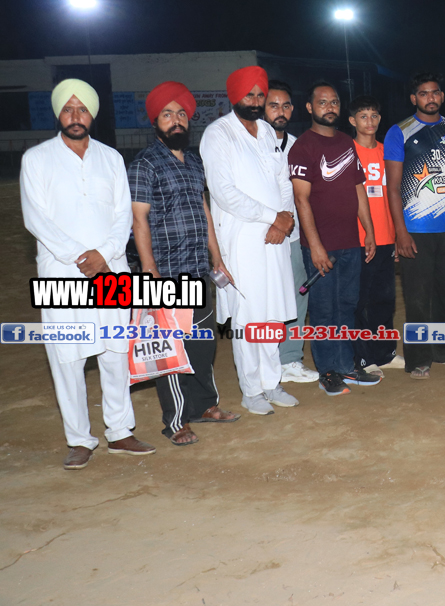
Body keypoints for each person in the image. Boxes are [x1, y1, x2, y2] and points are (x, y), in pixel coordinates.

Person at [20, 79, 155, 469]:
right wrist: (81, 257)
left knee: (115, 352)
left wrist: (104, 255)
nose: (75, 116)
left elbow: (122, 215)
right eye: (68, 109)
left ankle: (120, 431)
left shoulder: (111, 158)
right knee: (68, 357)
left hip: (111, 269)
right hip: (61, 274)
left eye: (82, 109)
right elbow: (36, 219)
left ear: (92, 114)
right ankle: (79, 439)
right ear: (58, 114)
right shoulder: (36, 159)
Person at [128, 81, 239, 446]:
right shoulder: (144, 164)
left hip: (198, 270)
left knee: (202, 344)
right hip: (165, 271)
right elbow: (138, 219)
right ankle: (176, 422)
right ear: (155, 122)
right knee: (170, 349)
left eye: (181, 114)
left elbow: (203, 211)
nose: (175, 120)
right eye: (167, 114)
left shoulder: (193, 162)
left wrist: (216, 257)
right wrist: (150, 271)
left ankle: (205, 405)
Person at [200, 66, 297, 416]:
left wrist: (284, 219)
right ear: (234, 96)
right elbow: (223, 193)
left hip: (274, 237)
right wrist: (273, 217)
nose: (255, 102)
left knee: (272, 312)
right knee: (249, 316)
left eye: (260, 95)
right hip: (241, 239)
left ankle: (272, 383)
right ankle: (251, 389)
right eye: (249, 95)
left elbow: (283, 180)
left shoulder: (268, 131)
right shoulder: (218, 134)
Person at [385, 71, 445, 378]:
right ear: (414, 98)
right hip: (415, 230)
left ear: (442, 96)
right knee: (417, 296)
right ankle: (418, 358)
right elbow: (393, 187)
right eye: (424, 93)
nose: (431, 98)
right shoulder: (399, 132)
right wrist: (400, 232)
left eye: (435, 92)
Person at [289, 82, 381, 395]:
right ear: (310, 107)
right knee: (324, 310)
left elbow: (358, 188)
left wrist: (368, 230)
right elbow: (301, 200)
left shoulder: (345, 142)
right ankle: (327, 371)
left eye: (334, 102)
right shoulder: (303, 147)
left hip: (350, 242)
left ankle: (344, 366)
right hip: (321, 246)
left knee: (347, 305)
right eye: (323, 102)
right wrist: (315, 246)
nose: (330, 107)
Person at [265, 79, 319, 384]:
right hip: (262, 237)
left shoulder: (299, 145)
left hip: (294, 236)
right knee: (266, 301)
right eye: (273, 105)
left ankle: (290, 359)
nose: (280, 111)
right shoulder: (252, 145)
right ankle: (266, 360)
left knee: (298, 296)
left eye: (285, 105)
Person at [348, 95, 403, 376]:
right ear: (352, 121)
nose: (369, 121)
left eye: (374, 115)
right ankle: (362, 357)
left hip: (386, 238)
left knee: (384, 301)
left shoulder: (387, 152)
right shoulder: (347, 152)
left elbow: (395, 194)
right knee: (360, 302)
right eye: (363, 116)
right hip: (358, 239)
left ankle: (384, 353)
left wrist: (396, 236)